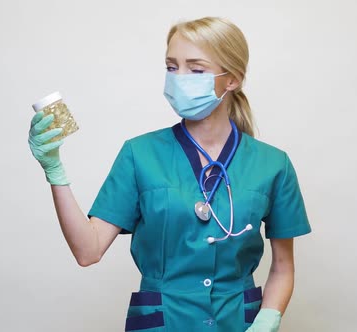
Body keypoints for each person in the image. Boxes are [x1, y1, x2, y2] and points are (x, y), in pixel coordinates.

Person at [28, 16, 311, 332]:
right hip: (163, 323)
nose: (179, 78)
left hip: (237, 323)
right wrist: (55, 170)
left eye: (196, 69)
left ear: (232, 79)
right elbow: (87, 250)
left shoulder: (273, 165)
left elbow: (283, 267)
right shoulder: (140, 154)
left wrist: (267, 320)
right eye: (172, 67)